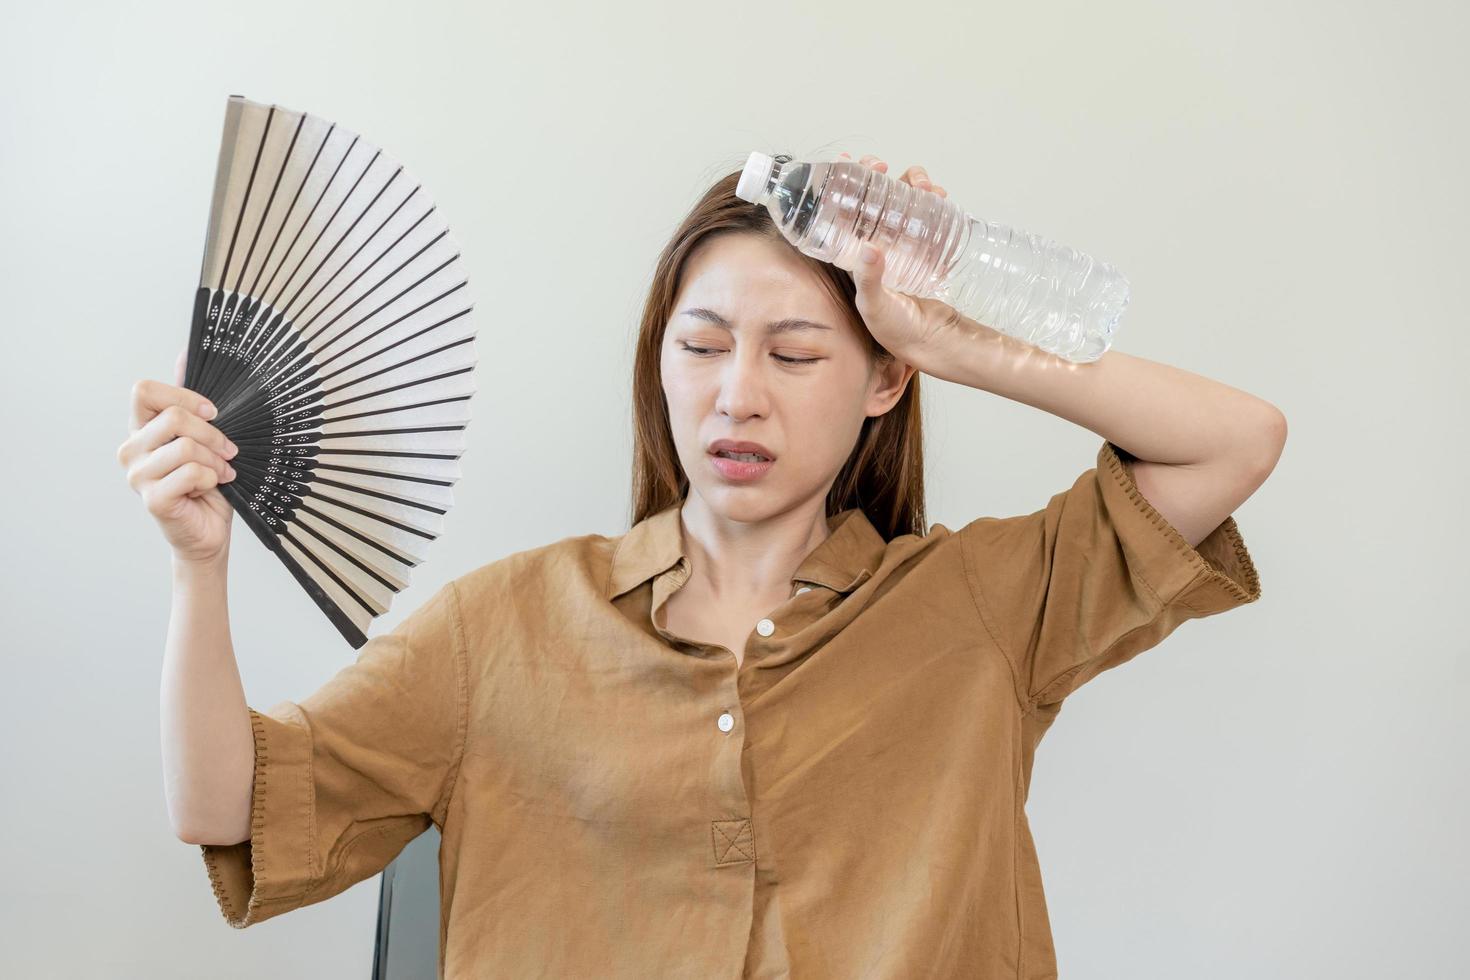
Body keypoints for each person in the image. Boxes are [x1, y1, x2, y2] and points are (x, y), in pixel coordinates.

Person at [117, 152, 1283, 978]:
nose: (739, 392)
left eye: (796, 350)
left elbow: (1237, 440)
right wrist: (198, 567)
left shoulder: (978, 608)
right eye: (704, 344)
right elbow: (225, 805)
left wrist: (957, 332)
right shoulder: (509, 624)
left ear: (883, 383)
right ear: (660, 365)